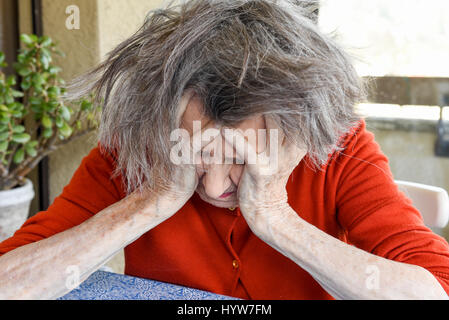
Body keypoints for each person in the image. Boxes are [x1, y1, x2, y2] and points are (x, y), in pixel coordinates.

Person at [1, 0, 449, 300]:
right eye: (193, 152)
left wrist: (276, 216)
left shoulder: (339, 146)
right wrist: (148, 202)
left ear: (302, 129)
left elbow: (433, 291)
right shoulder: (138, 145)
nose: (215, 185)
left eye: (239, 157)